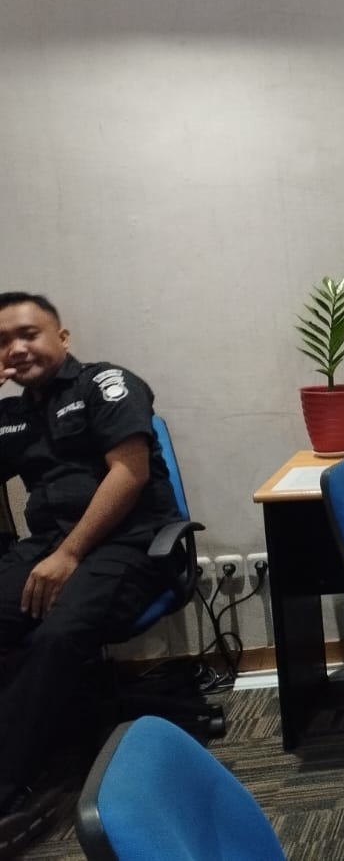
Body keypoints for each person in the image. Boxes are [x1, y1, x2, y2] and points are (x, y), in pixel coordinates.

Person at [0, 292, 184, 856]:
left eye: (28, 333)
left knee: (57, 634)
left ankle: (6, 785)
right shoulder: (11, 416)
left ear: (62, 337)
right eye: (2, 342)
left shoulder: (106, 384)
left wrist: (70, 554)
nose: (16, 348)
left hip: (131, 543)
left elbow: (129, 474)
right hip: (48, 547)